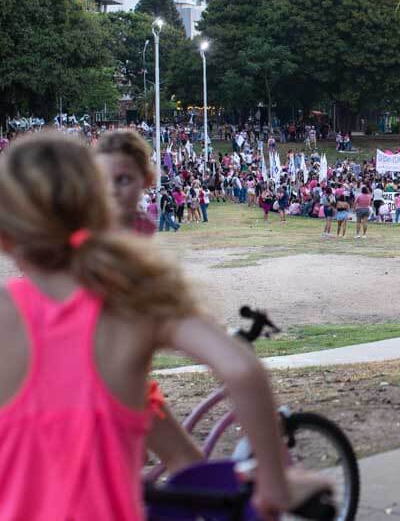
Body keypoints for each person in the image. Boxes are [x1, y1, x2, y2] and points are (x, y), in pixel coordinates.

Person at [0, 132, 331, 520]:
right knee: (185, 463)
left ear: (6, 236)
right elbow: (241, 369)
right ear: (98, 209)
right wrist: (275, 484)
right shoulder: (134, 302)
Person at [96, 130, 205, 474]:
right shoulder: (88, 232)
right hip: (100, 361)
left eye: (124, 179)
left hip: (130, 355)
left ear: (146, 180)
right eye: (103, 180)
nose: (112, 189)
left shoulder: (143, 223)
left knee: (142, 455)